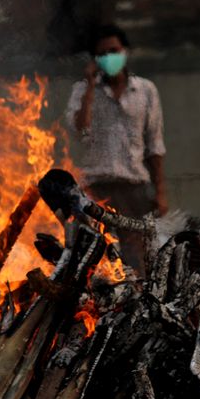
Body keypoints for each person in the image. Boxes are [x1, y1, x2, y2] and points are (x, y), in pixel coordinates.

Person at [65, 24, 168, 272]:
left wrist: (160, 191)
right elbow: (80, 129)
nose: (109, 57)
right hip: (95, 187)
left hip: (133, 187)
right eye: (103, 54)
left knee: (137, 254)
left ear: (125, 51)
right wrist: (90, 86)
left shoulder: (145, 90)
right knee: (95, 253)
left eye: (114, 50)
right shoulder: (81, 90)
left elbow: (154, 145)